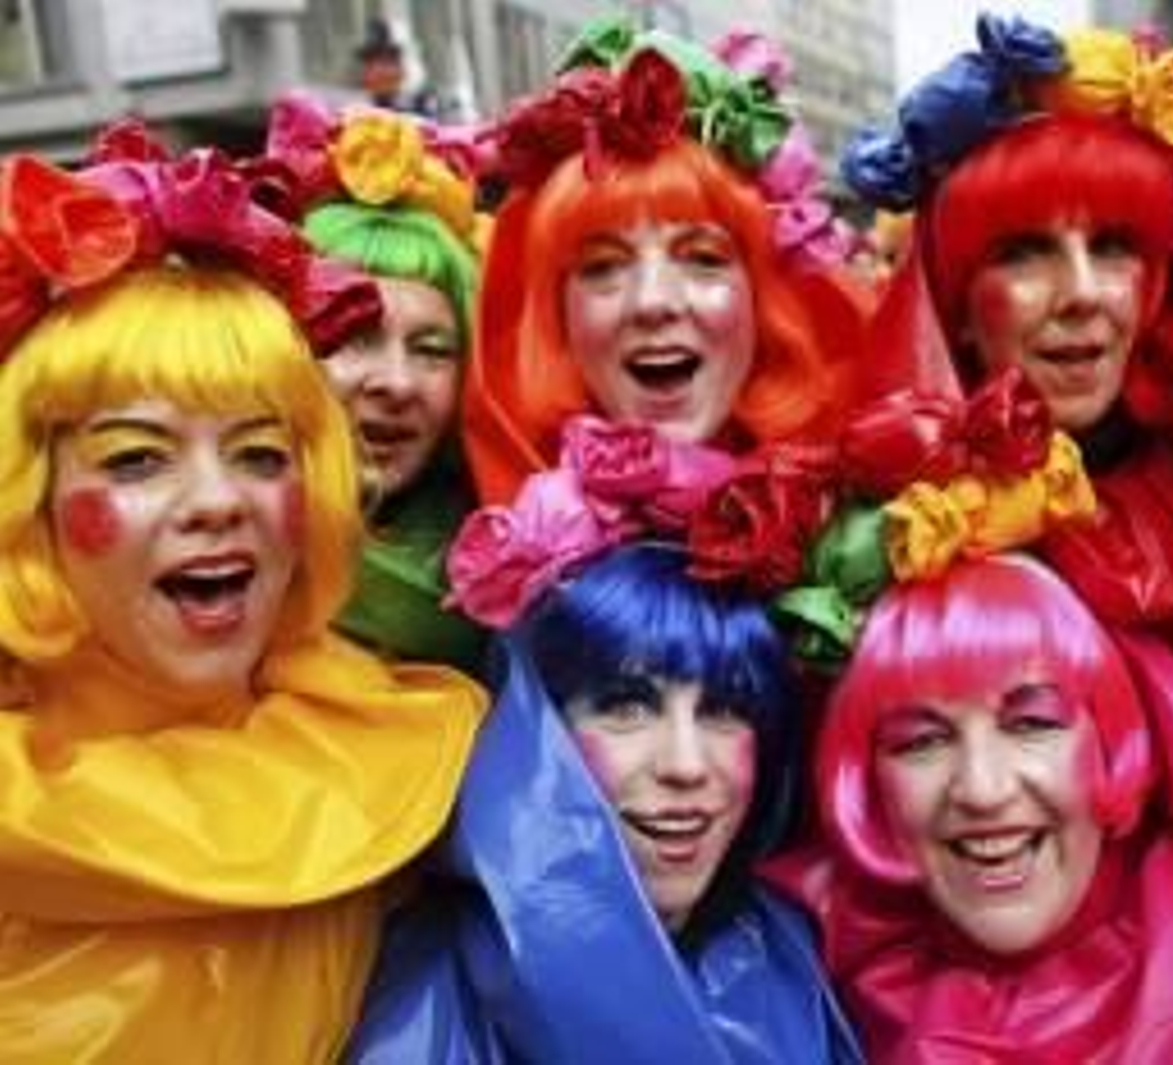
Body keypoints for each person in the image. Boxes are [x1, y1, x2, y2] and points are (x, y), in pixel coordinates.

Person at [0, 144, 484, 1060]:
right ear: (31, 503)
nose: (220, 500)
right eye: (137, 458)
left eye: (261, 453)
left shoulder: (380, 757)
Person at [347, 426, 862, 1063]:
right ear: (538, 740)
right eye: (628, 707)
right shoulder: (435, 984)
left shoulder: (783, 948)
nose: (684, 764)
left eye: (725, 708)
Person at [765, 551, 1173, 1062]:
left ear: (1112, 739)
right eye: (922, 741)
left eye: (1031, 723)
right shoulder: (803, 986)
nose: (982, 788)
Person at [843, 15, 1173, 623]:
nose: (1083, 293)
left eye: (1113, 246)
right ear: (955, 309)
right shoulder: (891, 533)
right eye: (1023, 252)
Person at [462, 16, 863, 505]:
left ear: (763, 302)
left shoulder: (870, 533)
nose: (653, 302)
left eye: (702, 258)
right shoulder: (503, 557)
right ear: (558, 317)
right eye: (603, 267)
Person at [264, 93, 488, 670]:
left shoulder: (506, 575)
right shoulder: (217, 576)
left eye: (433, 350)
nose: (397, 383)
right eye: (356, 335)